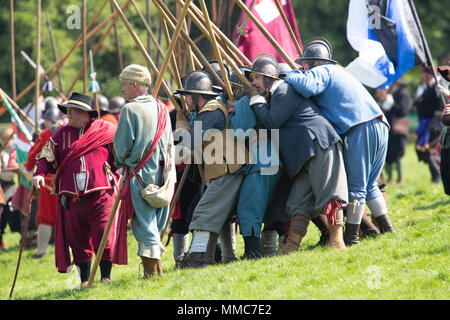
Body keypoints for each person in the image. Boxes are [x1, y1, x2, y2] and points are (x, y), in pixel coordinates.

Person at [285, 37, 395, 247]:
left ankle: (351, 236)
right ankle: (388, 229)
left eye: (305, 64)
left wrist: (292, 74)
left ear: (314, 62)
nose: (303, 67)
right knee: (370, 184)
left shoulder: (323, 71)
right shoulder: (339, 71)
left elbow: (307, 86)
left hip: (359, 126)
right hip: (379, 123)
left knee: (356, 186)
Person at [246, 53, 348, 253]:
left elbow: (272, 122)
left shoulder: (283, 90)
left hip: (318, 143)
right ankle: (292, 245)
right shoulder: (276, 95)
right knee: (298, 200)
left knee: (330, 194)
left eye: (257, 78)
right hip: (304, 153)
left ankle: (337, 241)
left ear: (268, 77)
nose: (254, 82)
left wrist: (256, 101)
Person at [32, 92, 120, 286]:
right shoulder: (60, 135)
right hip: (71, 198)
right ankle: (84, 281)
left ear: (86, 113)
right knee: (78, 242)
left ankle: (106, 278)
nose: (68, 114)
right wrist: (39, 173)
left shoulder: (105, 131)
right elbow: (46, 155)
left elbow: (120, 154)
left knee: (103, 236)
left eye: (73, 110)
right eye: (67, 110)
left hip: (101, 194)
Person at [175, 70, 247, 268]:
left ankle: (197, 261)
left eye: (188, 95)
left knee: (202, 214)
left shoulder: (211, 112)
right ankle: (225, 259)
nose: (186, 99)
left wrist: (181, 125)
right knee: (220, 218)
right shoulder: (206, 112)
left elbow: (189, 146)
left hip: (226, 171)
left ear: (199, 96)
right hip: (223, 171)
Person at [113, 64, 174, 278]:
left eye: (124, 84)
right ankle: (158, 272)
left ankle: (152, 275)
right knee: (155, 225)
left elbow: (120, 150)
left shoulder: (130, 109)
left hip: (140, 175)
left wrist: (122, 160)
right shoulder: (162, 108)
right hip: (165, 174)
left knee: (144, 225)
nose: (122, 89)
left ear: (135, 84)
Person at [24, 106, 63, 258]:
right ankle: (68, 250)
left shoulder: (46, 135)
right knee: (65, 216)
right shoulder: (70, 132)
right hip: (65, 181)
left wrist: (27, 168)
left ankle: (42, 250)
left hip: (48, 182)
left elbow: (33, 154)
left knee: (46, 216)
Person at [375, 79, 411, 184]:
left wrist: (392, 104)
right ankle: (390, 178)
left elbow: (402, 111)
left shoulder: (403, 94)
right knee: (389, 154)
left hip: (398, 128)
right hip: (390, 128)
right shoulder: (392, 94)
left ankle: (400, 178)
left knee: (398, 153)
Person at [413, 66, 445, 183]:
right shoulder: (426, 88)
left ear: (430, 75)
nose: (421, 76)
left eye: (423, 73)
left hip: (434, 125)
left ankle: (438, 176)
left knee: (431, 150)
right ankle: (435, 176)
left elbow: (441, 103)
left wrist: (436, 121)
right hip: (426, 124)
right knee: (424, 151)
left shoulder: (436, 86)